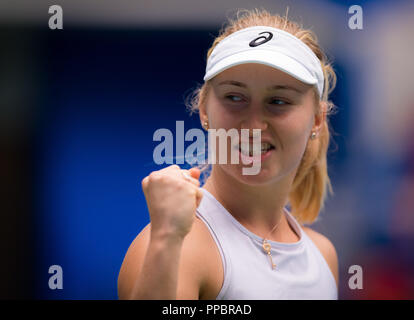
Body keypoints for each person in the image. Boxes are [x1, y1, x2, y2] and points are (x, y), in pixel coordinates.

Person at [118, 8, 339, 300]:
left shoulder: (324, 255)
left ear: (317, 120)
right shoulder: (177, 247)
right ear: (204, 110)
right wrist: (165, 241)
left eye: (278, 101)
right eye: (235, 98)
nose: (254, 125)